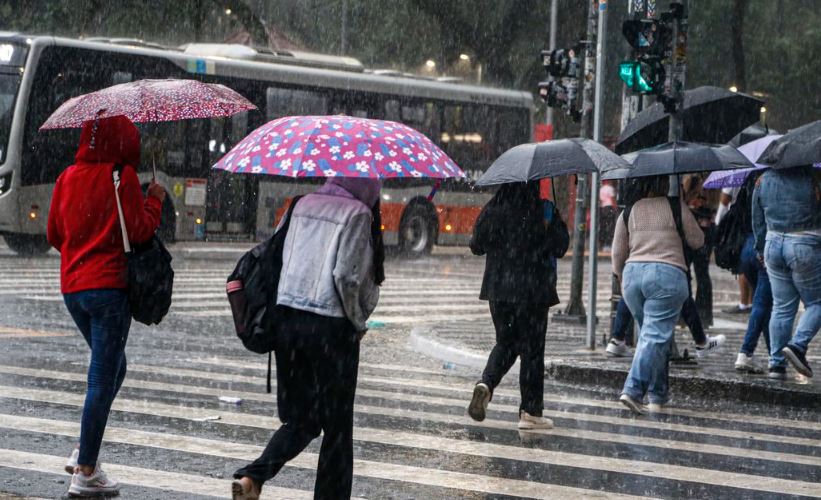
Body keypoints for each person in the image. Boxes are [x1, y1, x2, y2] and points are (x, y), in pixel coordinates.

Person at [231, 177, 383, 500]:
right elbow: (346, 276)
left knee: (303, 419)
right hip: (331, 329)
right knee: (338, 431)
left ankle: (252, 477)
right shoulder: (358, 213)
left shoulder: (300, 204)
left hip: (288, 324)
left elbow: (278, 257)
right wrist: (357, 321)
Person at [47, 116, 165, 497]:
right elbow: (140, 230)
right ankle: (85, 470)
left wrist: (81, 250)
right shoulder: (121, 174)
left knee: (116, 366)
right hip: (109, 290)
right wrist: (155, 201)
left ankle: (86, 445)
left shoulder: (67, 176)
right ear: (123, 140)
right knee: (101, 378)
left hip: (73, 289)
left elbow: (53, 234)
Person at [467, 182, 569, 430]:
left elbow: (476, 246)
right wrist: (552, 222)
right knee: (532, 351)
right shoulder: (543, 209)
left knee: (506, 342)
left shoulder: (494, 208)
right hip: (533, 292)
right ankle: (531, 412)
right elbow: (561, 247)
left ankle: (487, 384)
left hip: (499, 290)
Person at [612, 176, 704, 414]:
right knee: (654, 337)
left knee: (651, 336)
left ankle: (658, 394)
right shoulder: (675, 206)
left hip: (633, 279)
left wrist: (621, 278)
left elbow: (617, 253)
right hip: (666, 275)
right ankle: (633, 389)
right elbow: (697, 240)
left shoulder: (629, 211)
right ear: (664, 185)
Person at [752, 165, 821, 379]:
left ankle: (776, 364)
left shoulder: (762, 179)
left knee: (781, 307)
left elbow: (757, 217)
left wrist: (760, 246)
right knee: (817, 302)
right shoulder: (813, 178)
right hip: (804, 242)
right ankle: (798, 345)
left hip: (772, 243)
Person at [732, 171, 772, 373]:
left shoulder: (749, 181)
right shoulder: (770, 183)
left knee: (764, 304)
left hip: (746, 248)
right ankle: (746, 352)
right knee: (762, 304)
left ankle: (775, 353)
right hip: (761, 246)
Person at [682, 174, 716, 327]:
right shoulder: (687, 191)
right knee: (688, 274)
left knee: (700, 274)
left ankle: (701, 314)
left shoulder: (706, 187)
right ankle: (689, 312)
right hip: (695, 234)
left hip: (702, 235)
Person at [716, 187, 754, 314]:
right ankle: (751, 301)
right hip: (753, 220)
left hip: (740, 224)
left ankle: (745, 303)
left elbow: (724, 201)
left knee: (742, 264)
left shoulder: (735, 174)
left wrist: (718, 224)